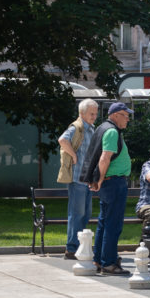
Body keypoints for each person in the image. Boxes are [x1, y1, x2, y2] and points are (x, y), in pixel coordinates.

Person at [79, 102, 133, 275]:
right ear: (116, 115)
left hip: (110, 182)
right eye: (125, 115)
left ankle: (99, 259)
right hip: (113, 182)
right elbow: (104, 158)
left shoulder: (103, 128)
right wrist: (100, 180)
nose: (128, 119)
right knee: (113, 224)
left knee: (104, 221)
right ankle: (109, 263)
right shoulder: (111, 131)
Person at [57, 98, 98, 260]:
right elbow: (62, 140)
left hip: (87, 179)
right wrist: (73, 155)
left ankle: (81, 245)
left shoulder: (91, 129)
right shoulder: (77, 127)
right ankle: (71, 248)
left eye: (95, 113)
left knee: (85, 213)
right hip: (78, 178)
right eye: (91, 113)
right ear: (82, 113)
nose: (94, 116)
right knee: (77, 213)